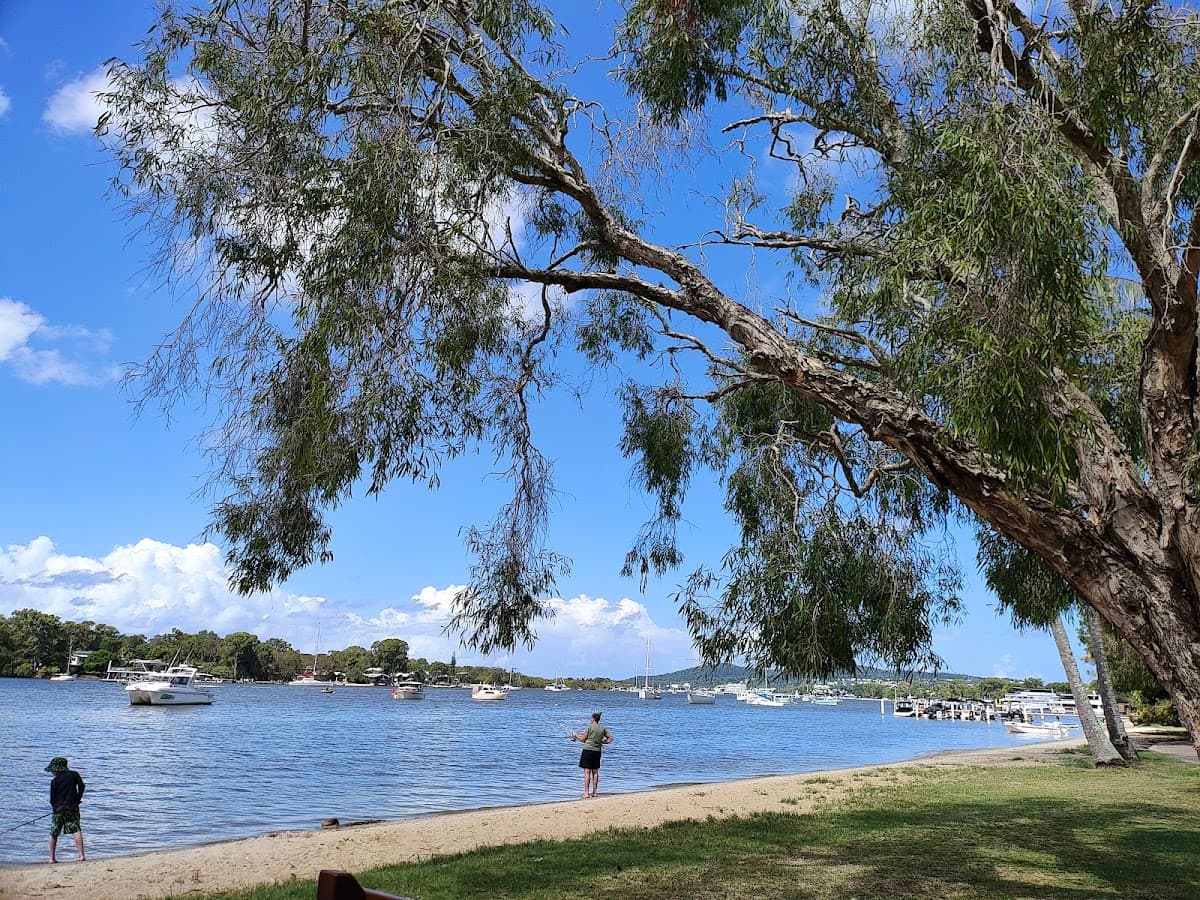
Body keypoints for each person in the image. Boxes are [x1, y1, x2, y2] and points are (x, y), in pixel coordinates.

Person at [45, 756, 85, 863]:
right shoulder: (74, 774)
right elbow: (82, 787)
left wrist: (55, 809)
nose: (52, 772)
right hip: (72, 808)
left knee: (54, 832)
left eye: (53, 770)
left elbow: (52, 799)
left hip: (58, 810)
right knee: (76, 830)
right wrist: (77, 799)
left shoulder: (54, 781)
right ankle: (81, 855)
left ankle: (51, 858)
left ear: (57, 769)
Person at [569, 711, 613, 798]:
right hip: (597, 751)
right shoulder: (602, 728)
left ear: (593, 719)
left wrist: (575, 735)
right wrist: (604, 742)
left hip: (588, 750)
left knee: (587, 772)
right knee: (595, 772)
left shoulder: (590, 727)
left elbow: (583, 739)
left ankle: (586, 793)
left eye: (591, 718)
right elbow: (611, 738)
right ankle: (595, 792)